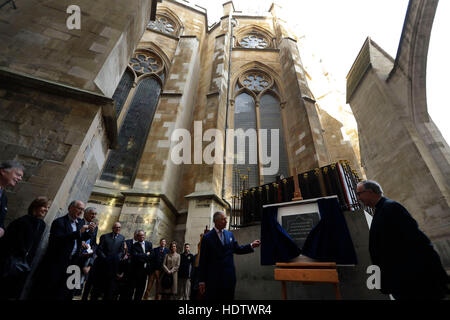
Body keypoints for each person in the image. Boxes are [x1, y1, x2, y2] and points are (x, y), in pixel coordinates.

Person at [356, 180, 448, 300]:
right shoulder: (381, 210)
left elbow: (416, 239)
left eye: (359, 194)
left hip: (410, 279)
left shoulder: (391, 207)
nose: (358, 198)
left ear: (369, 192)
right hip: (401, 278)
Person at [31, 200, 93, 300]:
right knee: (50, 292)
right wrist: (79, 233)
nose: (81, 212)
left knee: (66, 293)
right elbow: (57, 240)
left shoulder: (80, 223)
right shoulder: (59, 222)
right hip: (57, 263)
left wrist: (89, 233)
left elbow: (81, 238)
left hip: (73, 264)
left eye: (83, 210)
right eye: (79, 209)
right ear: (70, 208)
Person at [199, 211, 261, 300]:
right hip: (214, 280)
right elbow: (203, 260)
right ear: (216, 221)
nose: (226, 221)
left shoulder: (230, 234)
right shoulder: (207, 237)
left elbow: (237, 249)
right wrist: (202, 280)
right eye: (223, 219)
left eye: (226, 219)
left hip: (229, 278)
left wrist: (251, 245)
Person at [0, 197, 49, 300]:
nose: (46, 210)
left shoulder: (42, 225)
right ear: (35, 206)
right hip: (9, 265)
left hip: (25, 267)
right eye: (44, 206)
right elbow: (7, 245)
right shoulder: (21, 222)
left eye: (47, 207)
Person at [90, 222, 125, 300]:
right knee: (97, 287)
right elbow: (99, 249)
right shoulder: (105, 236)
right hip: (103, 265)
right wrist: (106, 259)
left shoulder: (122, 238)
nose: (118, 229)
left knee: (109, 289)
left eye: (119, 227)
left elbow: (121, 251)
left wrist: (115, 258)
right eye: (116, 227)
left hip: (113, 268)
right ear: (113, 228)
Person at [121, 230, 152, 300]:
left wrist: (142, 256)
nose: (142, 237)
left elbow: (152, 256)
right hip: (136, 271)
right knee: (131, 290)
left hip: (145, 271)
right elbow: (135, 256)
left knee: (140, 290)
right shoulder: (134, 245)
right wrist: (146, 255)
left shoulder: (149, 244)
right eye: (140, 235)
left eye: (143, 235)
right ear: (137, 237)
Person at [78, 207, 98, 299]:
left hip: (87, 257)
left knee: (79, 284)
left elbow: (93, 242)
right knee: (70, 283)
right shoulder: (79, 222)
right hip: (76, 257)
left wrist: (93, 251)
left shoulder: (94, 226)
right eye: (92, 213)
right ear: (85, 213)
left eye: (95, 214)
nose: (93, 216)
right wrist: (80, 242)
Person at [0, 161, 24, 239]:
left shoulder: (4, 198)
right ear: (3, 171)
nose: (20, 179)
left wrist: (2, 230)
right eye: (18, 175)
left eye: (21, 176)